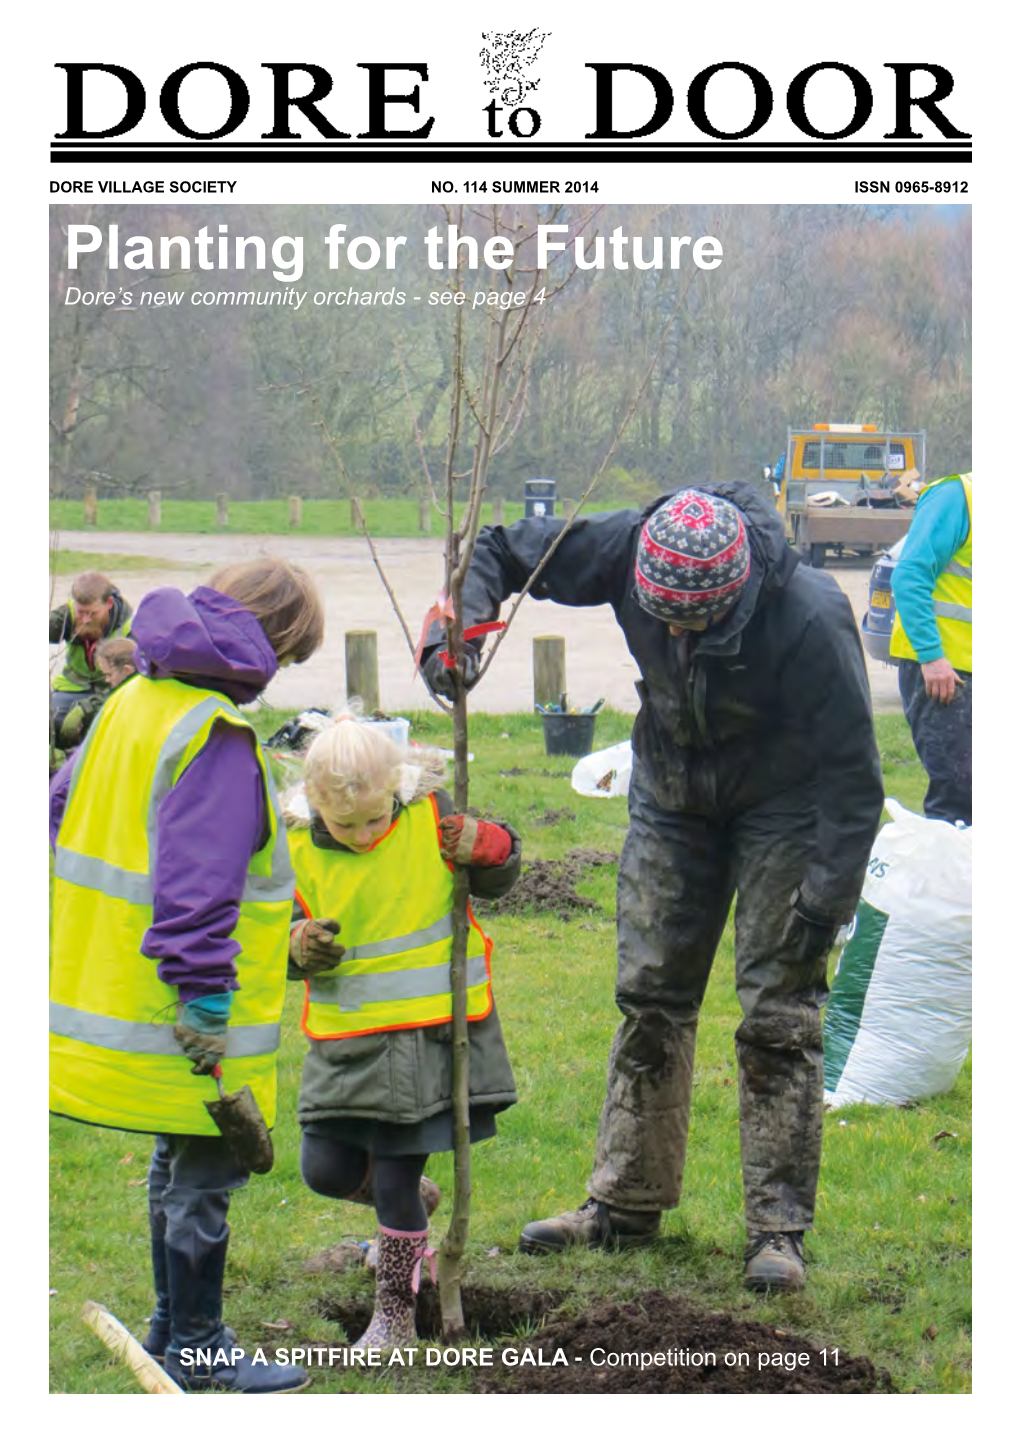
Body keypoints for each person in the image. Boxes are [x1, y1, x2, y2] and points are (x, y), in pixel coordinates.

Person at [423, 482, 885, 1292]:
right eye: (661, 615)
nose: (673, 630)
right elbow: (496, 549)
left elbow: (854, 775)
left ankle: (777, 1231)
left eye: (692, 623)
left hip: (784, 802)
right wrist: (454, 633)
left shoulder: (809, 615)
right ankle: (625, 1207)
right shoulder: (626, 545)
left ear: (736, 597)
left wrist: (827, 899)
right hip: (672, 792)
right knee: (651, 998)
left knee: (779, 1014)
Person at [50, 557, 324, 1393]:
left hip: (116, 988)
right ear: (270, 642)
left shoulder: (132, 701)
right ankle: (201, 1350)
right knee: (205, 1177)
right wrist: (205, 996)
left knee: (179, 1166)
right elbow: (200, 886)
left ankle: (173, 1331)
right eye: (292, 654)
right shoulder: (216, 735)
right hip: (186, 1006)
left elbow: (58, 809)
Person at [285, 716, 521, 1352]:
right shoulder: (295, 850)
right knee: (325, 1169)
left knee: (391, 1182)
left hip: (430, 1044)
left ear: (396, 787)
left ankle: (393, 1314)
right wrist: (295, 947)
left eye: (374, 819)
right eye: (345, 825)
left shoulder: (432, 820)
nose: (363, 836)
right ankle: (413, 1211)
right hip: (346, 1046)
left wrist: (491, 846)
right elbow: (267, 936)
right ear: (314, 804)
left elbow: (497, 874)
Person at [889, 472, 972, 826]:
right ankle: (953, 879)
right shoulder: (958, 497)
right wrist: (932, 657)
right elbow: (909, 576)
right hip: (945, 671)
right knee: (961, 797)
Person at [49, 570, 133, 748]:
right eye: (81, 612)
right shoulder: (68, 615)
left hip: (110, 691)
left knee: (104, 730)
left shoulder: (129, 630)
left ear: (109, 604)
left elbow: (129, 684)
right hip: (72, 688)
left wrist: (86, 709)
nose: (85, 619)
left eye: (92, 614)